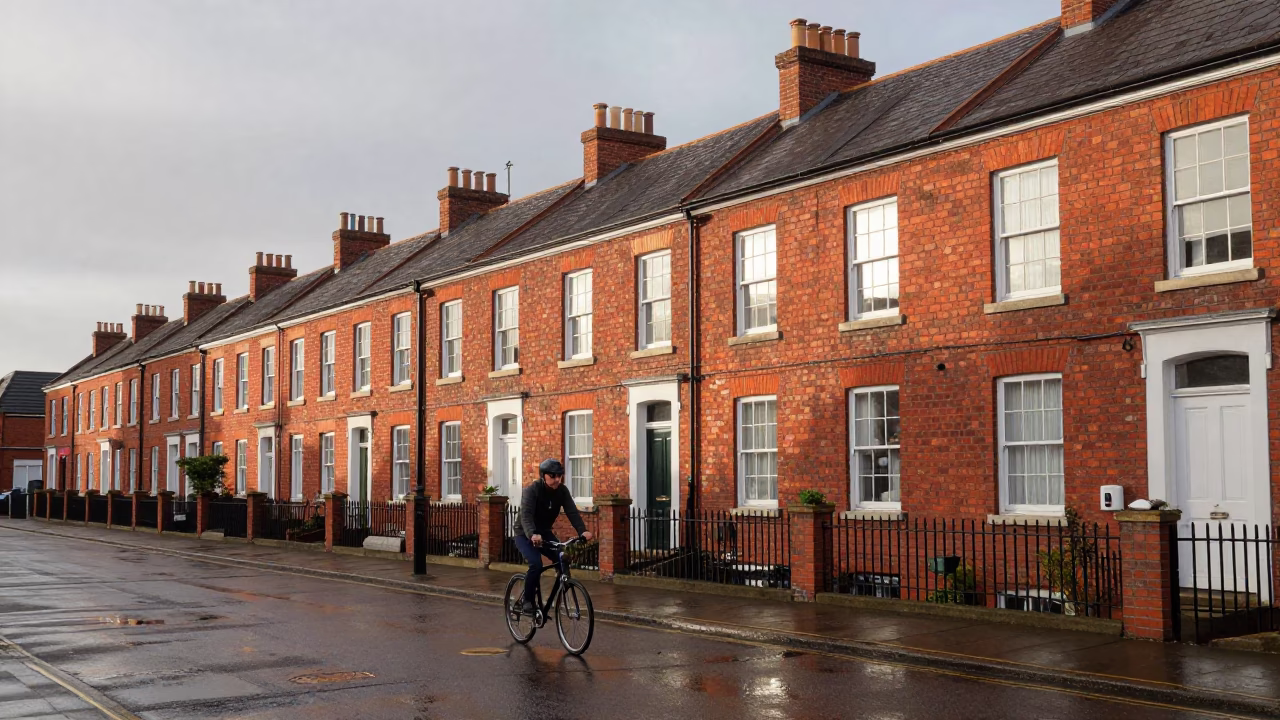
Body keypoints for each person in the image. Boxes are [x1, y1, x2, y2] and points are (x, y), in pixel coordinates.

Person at [513, 458, 593, 614]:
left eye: (559, 476)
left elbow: (572, 512)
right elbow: (526, 515)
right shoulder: (532, 491)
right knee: (536, 564)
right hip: (524, 533)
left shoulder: (562, 491)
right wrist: (532, 534)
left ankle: (563, 582)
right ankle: (527, 601)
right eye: (553, 476)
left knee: (562, 556)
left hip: (543, 532)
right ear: (543, 476)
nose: (557, 479)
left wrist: (582, 531)